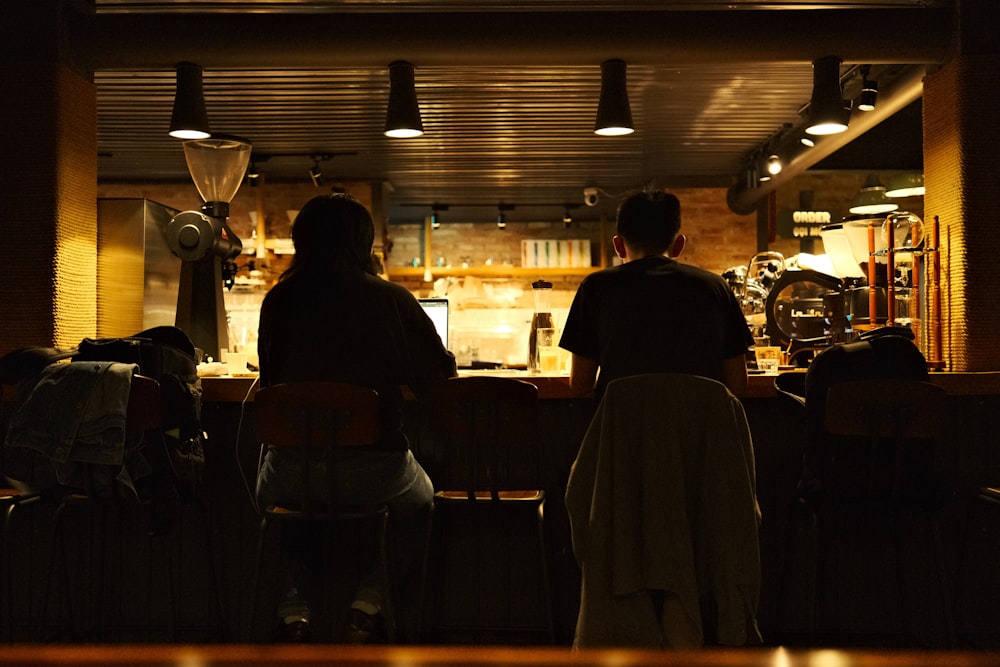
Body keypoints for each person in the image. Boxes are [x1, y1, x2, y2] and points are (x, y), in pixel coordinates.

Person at [255, 193, 457, 643]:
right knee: (423, 502)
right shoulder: (392, 300)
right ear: (366, 244)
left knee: (269, 492)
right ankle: (368, 604)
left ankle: (293, 611)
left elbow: (272, 387)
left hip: (295, 473)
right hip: (375, 473)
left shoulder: (278, 301)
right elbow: (435, 386)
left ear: (299, 241)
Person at [560, 190, 752, 400]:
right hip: (698, 430)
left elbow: (579, 385)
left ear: (618, 246)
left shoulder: (595, 288)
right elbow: (738, 385)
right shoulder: (715, 288)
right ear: (679, 245)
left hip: (622, 430)